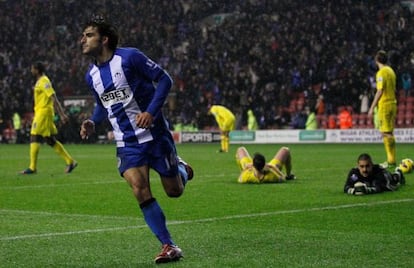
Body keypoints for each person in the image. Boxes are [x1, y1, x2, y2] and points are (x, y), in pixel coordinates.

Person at [79, 15, 193, 264]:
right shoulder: (91, 76)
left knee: (174, 191)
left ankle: (182, 168)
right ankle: (169, 245)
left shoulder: (130, 57)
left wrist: (150, 112)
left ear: (104, 39)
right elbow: (102, 104)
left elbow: (165, 79)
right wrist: (93, 121)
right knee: (139, 190)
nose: (83, 40)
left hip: (154, 135)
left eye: (88, 35)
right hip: (126, 143)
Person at [20, 62, 77, 174]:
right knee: (50, 140)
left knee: (34, 136)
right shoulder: (40, 81)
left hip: (44, 113)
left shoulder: (44, 81)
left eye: (32, 68)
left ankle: (32, 168)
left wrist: (62, 114)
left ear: (37, 70)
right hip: (42, 112)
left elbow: (53, 97)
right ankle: (70, 161)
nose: (31, 71)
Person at [368, 50, 397, 169]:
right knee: (389, 132)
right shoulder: (391, 71)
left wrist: (372, 107)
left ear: (376, 61)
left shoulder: (381, 73)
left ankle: (391, 161)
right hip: (393, 103)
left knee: (385, 133)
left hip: (384, 105)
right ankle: (392, 159)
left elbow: (380, 91)